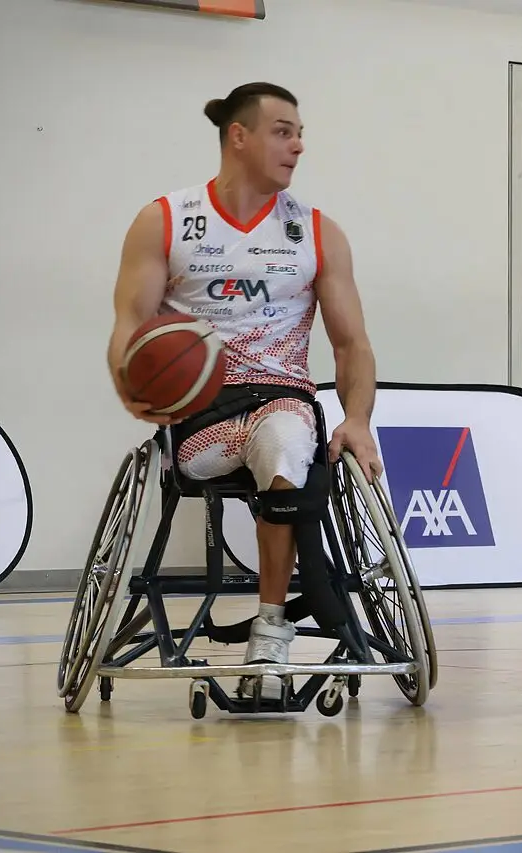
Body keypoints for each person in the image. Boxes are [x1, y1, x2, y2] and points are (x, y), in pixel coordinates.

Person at [105, 82, 382, 701]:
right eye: (284, 131)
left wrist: (358, 419)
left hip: (282, 399)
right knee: (278, 444)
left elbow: (352, 345)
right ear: (239, 136)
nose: (298, 146)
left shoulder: (316, 232)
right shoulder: (166, 220)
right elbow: (129, 324)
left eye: (300, 134)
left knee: (284, 437)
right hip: (199, 418)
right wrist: (130, 380)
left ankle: (271, 627)